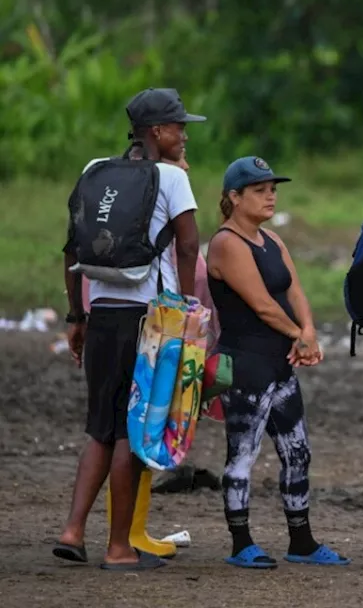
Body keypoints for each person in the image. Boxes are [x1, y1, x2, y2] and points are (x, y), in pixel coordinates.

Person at [54, 87, 204, 571]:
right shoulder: (171, 179)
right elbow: (187, 245)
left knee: (99, 428)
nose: (184, 135)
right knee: (133, 433)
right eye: (179, 127)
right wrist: (184, 310)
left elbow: (72, 250)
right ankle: (118, 547)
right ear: (157, 132)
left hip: (102, 316)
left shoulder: (96, 171)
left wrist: (77, 317)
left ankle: (73, 530)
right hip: (151, 321)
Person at [206, 156, 348, 569]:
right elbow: (263, 305)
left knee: (298, 452)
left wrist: (309, 332)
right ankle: (240, 542)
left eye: (273, 189)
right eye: (259, 190)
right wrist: (298, 336)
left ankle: (301, 541)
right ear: (234, 197)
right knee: (243, 454)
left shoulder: (272, 240)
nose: (270, 196)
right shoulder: (226, 243)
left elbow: (294, 290)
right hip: (245, 364)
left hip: (280, 362)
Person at [92, 146, 221, 561]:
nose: (186, 164)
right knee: (137, 430)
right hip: (160, 329)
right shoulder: (164, 209)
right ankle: (124, 538)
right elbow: (189, 262)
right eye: (181, 158)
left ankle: (107, 532)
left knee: (115, 431)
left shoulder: (117, 222)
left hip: (115, 321)